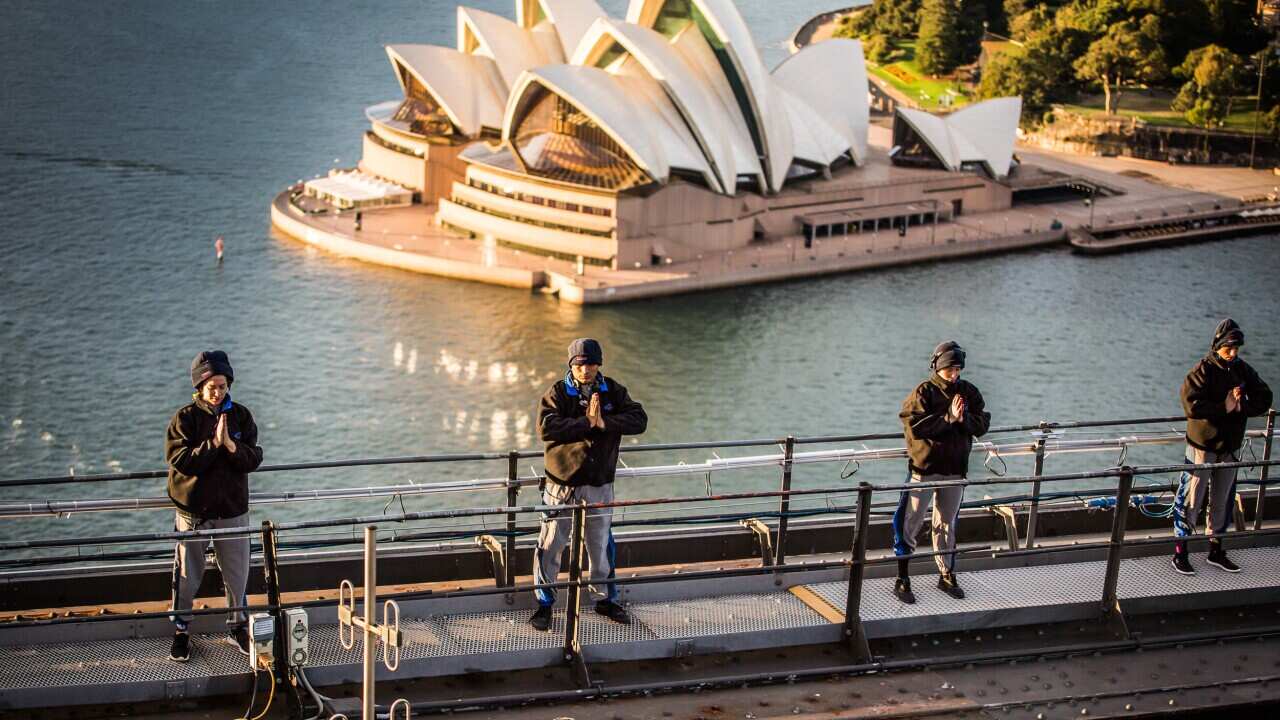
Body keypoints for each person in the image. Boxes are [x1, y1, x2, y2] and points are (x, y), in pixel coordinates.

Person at [529, 338, 647, 631]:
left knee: (600, 543)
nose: (585, 369)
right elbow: (546, 428)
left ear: (599, 364)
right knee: (551, 542)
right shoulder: (557, 392)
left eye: (591, 363)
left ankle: (604, 599)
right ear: (571, 365)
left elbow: (639, 419)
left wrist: (604, 422)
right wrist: (586, 423)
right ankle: (545, 603)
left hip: (599, 482)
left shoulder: (613, 391)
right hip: (562, 482)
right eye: (580, 364)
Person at [165, 351, 264, 662]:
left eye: (222, 386)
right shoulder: (185, 418)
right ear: (199, 387)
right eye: (212, 387)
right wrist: (213, 445)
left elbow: (254, 458)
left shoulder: (242, 416)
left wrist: (231, 445)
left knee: (237, 575)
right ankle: (181, 631)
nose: (218, 392)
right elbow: (180, 460)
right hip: (193, 512)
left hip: (232, 510)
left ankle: (238, 627)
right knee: (186, 575)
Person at [893, 341, 991, 604]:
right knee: (909, 523)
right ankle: (902, 578)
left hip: (955, 471)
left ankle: (946, 574)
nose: (954, 374)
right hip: (923, 471)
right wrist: (948, 418)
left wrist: (963, 418)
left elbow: (983, 424)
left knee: (946, 524)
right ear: (937, 366)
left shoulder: (968, 391)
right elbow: (915, 427)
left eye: (958, 369)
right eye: (950, 369)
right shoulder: (923, 392)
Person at [1173, 319, 1272, 575]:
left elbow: (1265, 396)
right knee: (1191, 498)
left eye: (1237, 349)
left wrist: (1242, 406)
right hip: (1202, 446)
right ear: (1217, 347)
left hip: (1230, 446)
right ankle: (1180, 552)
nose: (1233, 353)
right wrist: (1223, 407)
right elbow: (1190, 405)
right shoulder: (1202, 370)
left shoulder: (1242, 369)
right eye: (1229, 348)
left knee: (1222, 500)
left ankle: (1216, 551)